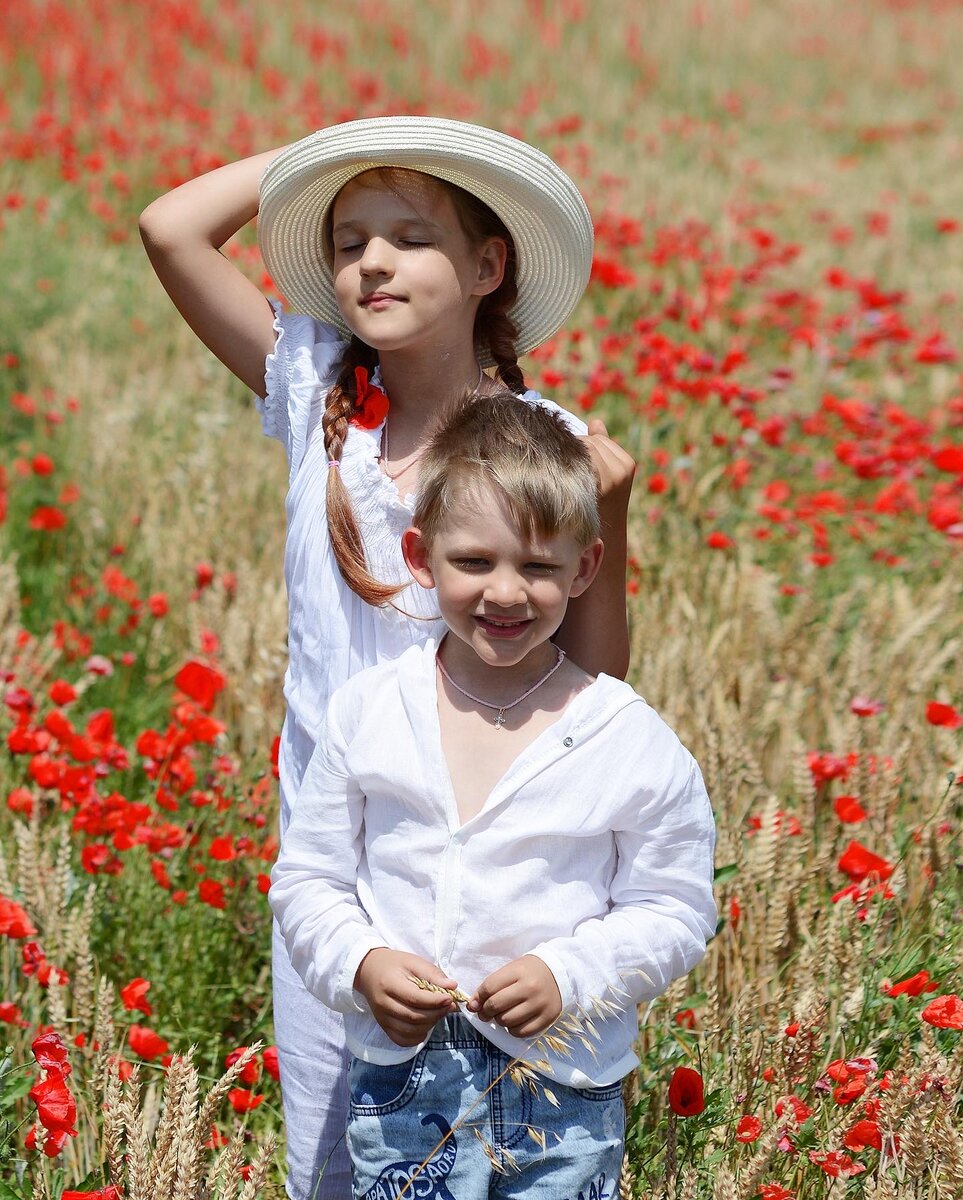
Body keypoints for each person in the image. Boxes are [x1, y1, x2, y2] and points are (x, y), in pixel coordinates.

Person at [139, 116, 637, 1198]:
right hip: (334, 862)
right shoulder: (319, 392)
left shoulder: (541, 442)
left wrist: (614, 515)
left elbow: (596, 691)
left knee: (507, 1151)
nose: (371, 261)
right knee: (334, 1153)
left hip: (497, 865)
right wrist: (323, 158)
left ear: (486, 265)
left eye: (409, 235)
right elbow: (170, 228)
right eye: (349, 237)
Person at [271, 394, 717, 1200]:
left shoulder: (622, 734)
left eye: (538, 567)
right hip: (400, 1087)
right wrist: (361, 962)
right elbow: (308, 883)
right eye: (473, 562)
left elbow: (675, 908)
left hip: (566, 1090)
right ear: (419, 555)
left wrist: (568, 973)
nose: (505, 593)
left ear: (584, 568)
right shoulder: (370, 714)